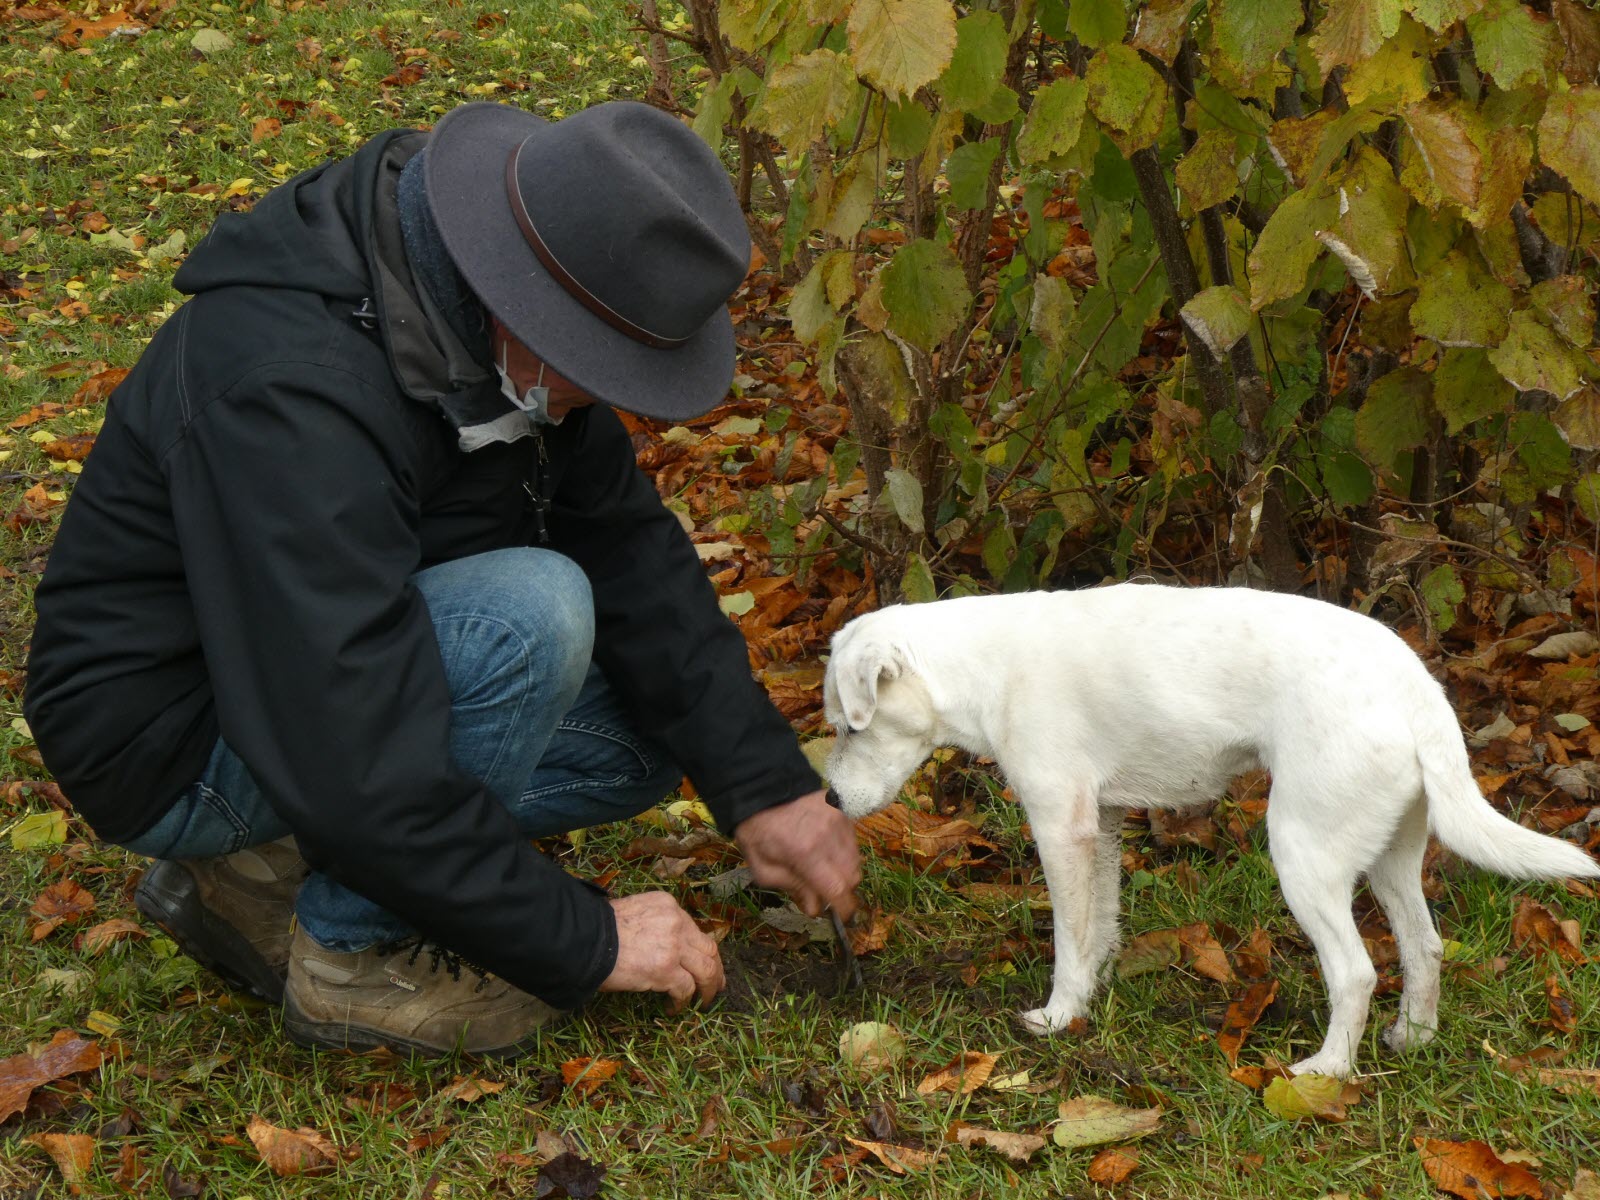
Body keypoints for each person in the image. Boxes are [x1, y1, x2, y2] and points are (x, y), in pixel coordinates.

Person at [23, 100, 861, 1057]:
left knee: (640, 740)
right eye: (609, 366)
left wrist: (764, 788)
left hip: (309, 683)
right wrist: (584, 938)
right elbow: (348, 737)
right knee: (530, 615)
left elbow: (628, 546)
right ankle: (352, 961)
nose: (620, 398)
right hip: (172, 741)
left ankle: (265, 869)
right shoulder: (289, 392)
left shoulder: (486, 314)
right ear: (529, 308)